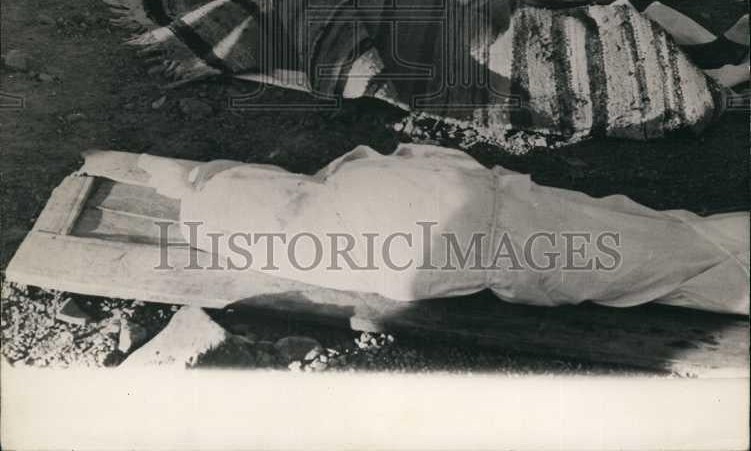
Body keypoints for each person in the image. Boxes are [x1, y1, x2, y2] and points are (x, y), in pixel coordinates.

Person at [83, 142, 749, 314]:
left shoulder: (318, 235)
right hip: (521, 237)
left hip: (518, 236)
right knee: (673, 251)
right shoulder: (335, 209)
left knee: (672, 254)